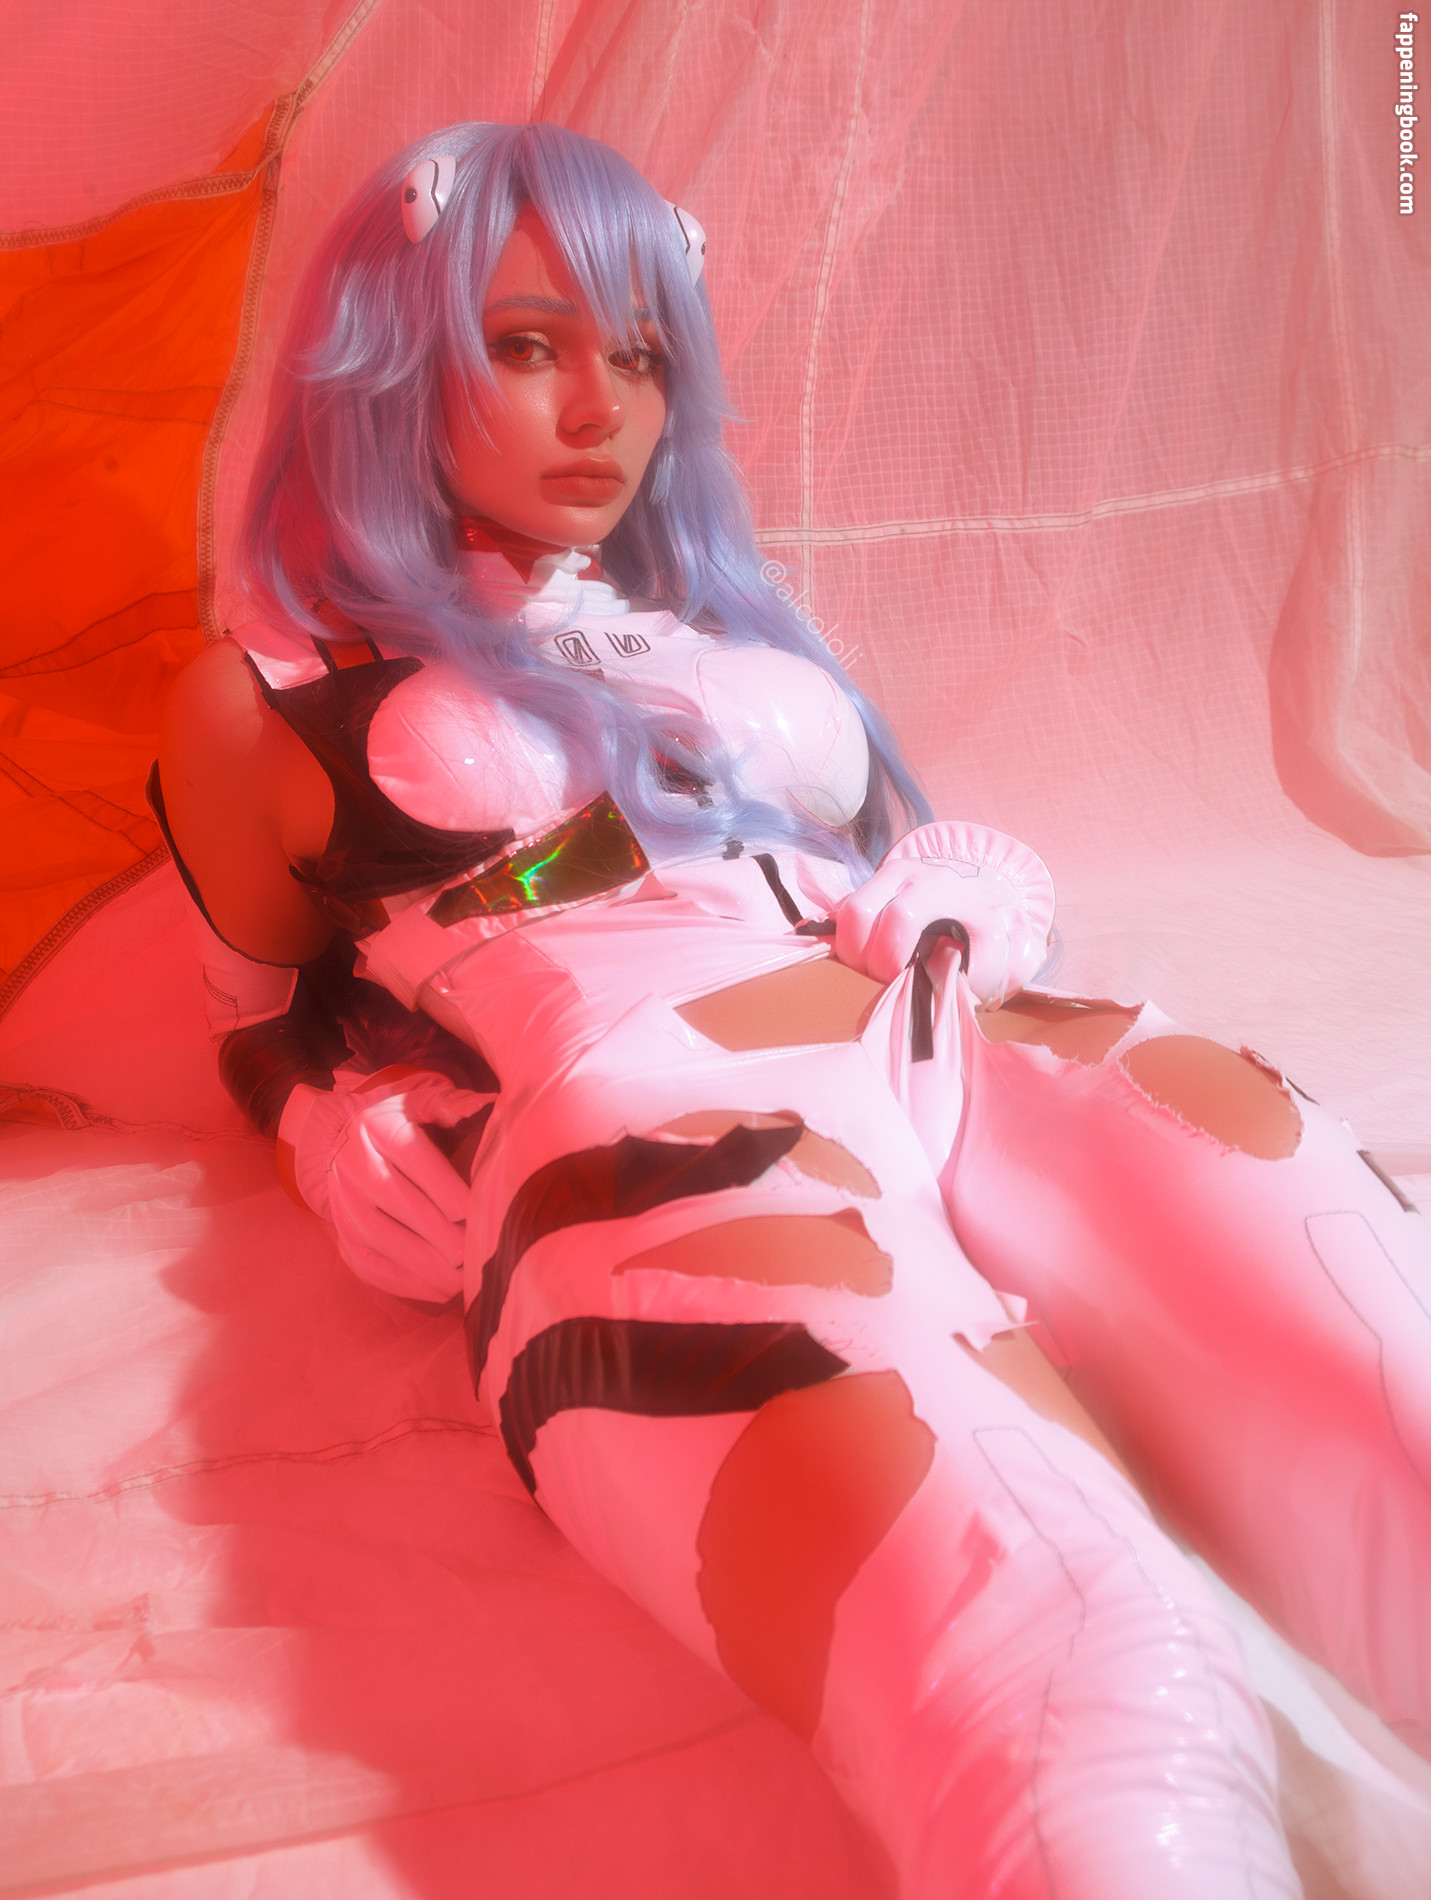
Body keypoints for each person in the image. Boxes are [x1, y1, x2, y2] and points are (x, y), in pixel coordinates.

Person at [153, 120, 1430, 1898]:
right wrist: (314, 1115)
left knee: (1400, 1411)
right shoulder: (267, 696)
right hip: (658, 1122)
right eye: (524, 344)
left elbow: (860, 850)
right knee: (1075, 1667)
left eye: (640, 354)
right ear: (388, 353)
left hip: (967, 1035)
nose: (600, 409)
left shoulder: (716, 620)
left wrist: (971, 884)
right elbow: (251, 1008)